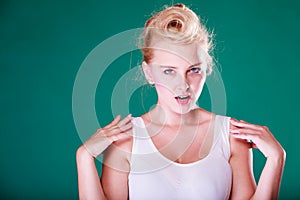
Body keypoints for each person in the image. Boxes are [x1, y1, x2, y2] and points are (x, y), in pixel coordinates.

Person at [76, 4, 286, 200]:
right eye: (169, 71)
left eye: (193, 70)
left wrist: (276, 160)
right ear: (148, 73)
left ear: (207, 69)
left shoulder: (231, 136)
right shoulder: (125, 141)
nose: (183, 85)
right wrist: (84, 156)